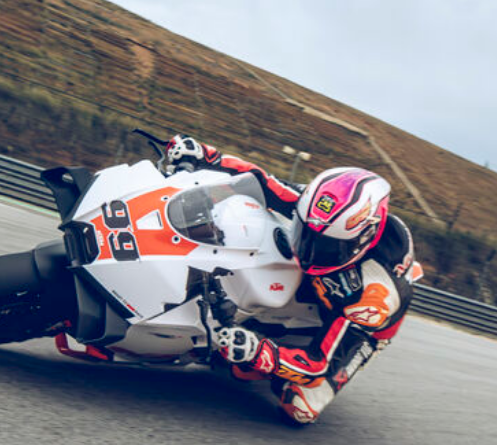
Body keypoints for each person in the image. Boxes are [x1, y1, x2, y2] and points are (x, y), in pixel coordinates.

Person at [165, 134, 422, 424]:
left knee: (298, 408)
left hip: (357, 324)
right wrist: (207, 155)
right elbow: (262, 181)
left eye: (325, 246)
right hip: (319, 287)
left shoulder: (373, 297)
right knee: (239, 363)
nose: (310, 250)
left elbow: (318, 365)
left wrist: (260, 352)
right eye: (305, 233)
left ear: (362, 239)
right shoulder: (324, 215)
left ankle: (274, 364)